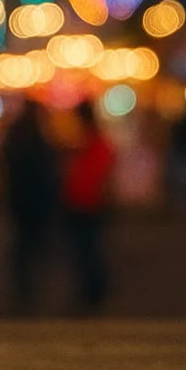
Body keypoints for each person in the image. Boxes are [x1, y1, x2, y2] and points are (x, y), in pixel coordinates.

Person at [1, 100, 58, 313]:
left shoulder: (17, 135)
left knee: (23, 246)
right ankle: (28, 287)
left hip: (22, 199)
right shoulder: (35, 138)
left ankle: (24, 287)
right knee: (31, 246)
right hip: (33, 199)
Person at [63, 101, 116, 313]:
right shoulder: (90, 140)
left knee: (88, 249)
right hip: (83, 201)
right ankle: (92, 290)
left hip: (87, 202)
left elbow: (97, 171)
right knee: (87, 249)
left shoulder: (93, 140)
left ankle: (94, 291)